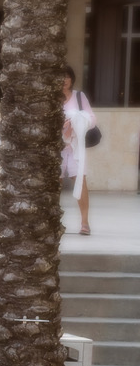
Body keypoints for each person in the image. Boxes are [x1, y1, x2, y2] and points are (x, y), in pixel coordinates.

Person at [62, 63, 97, 237]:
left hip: (76, 147)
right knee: (53, 184)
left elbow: (92, 119)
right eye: (61, 76)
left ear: (72, 79)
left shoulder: (79, 96)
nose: (64, 80)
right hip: (57, 148)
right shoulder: (49, 97)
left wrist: (76, 121)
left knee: (80, 181)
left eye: (67, 76)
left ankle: (85, 223)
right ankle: (52, 222)